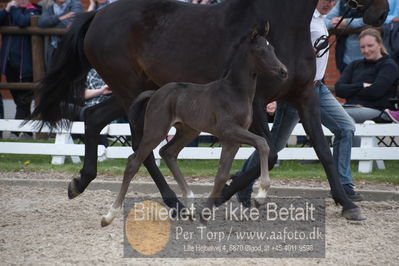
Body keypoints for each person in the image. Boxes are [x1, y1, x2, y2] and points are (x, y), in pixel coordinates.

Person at [236, 0, 364, 208]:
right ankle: (243, 180)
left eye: (333, 1)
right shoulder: (302, 21)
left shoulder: (322, 20)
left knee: (346, 127)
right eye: (326, 0)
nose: (329, 4)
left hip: (318, 88)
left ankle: (343, 185)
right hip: (299, 90)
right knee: (274, 145)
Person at [335, 28, 399, 123]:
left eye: (370, 46)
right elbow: (339, 89)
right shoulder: (354, 65)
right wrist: (362, 85)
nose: (366, 50)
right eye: (362, 47)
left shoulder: (388, 65)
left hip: (378, 110)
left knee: (336, 115)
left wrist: (351, 93)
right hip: (351, 108)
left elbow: (376, 92)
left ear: (380, 45)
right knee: (324, 112)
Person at [0, 0, 41, 139]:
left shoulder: (34, 10)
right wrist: (5, 11)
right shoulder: (9, 12)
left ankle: (15, 132)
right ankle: (28, 132)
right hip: (10, 64)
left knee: (24, 100)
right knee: (19, 100)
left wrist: (12, 9)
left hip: (27, 65)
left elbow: (22, 22)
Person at [38, 0, 83, 69]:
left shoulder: (75, 4)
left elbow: (74, 20)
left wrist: (53, 23)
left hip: (71, 47)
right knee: (53, 73)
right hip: (54, 47)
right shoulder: (50, 8)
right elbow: (42, 23)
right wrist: (61, 17)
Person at [325, 0, 366, 73]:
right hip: (344, 58)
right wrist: (332, 23)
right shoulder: (342, 2)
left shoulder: (370, 2)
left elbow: (372, 20)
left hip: (366, 57)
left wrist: (346, 22)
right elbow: (325, 20)